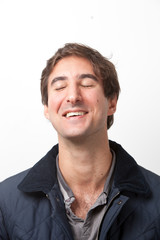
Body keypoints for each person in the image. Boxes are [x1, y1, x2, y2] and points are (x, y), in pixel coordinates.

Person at [0, 43, 160, 240]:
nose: (73, 96)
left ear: (112, 102)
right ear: (47, 109)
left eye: (86, 84)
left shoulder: (158, 199)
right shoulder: (5, 202)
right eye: (60, 87)